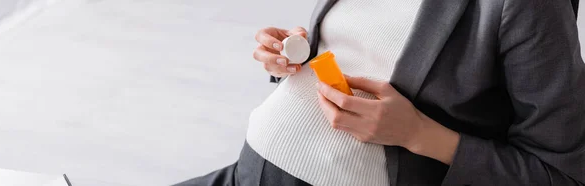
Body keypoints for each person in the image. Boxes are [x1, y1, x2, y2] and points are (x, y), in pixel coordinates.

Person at [176, 0, 585, 185]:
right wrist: (289, 55)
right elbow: (359, 50)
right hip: (247, 171)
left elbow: (562, 173)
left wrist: (418, 134)